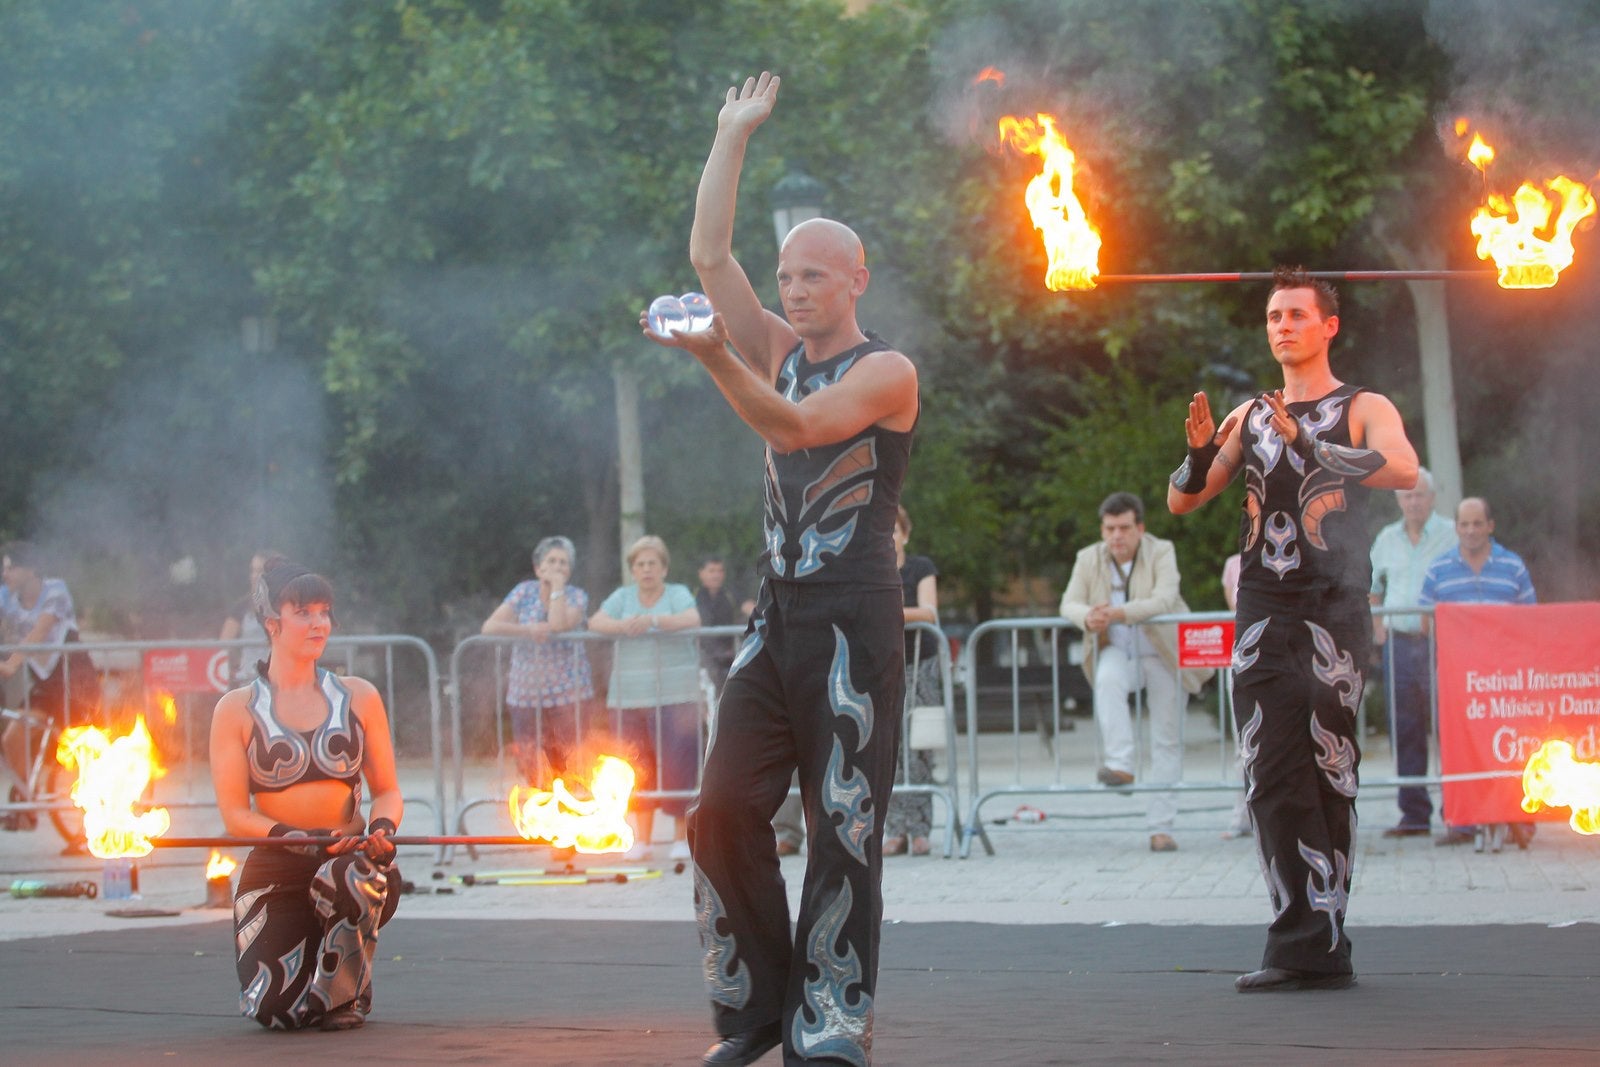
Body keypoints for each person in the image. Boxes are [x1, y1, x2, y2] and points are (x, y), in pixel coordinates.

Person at [642, 70, 918, 1067]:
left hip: (854, 624)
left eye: (811, 276)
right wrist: (730, 136)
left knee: (843, 823)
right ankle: (762, 1007)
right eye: (786, 277)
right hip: (777, 618)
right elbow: (708, 254)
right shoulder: (773, 343)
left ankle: (831, 1019)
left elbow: (796, 428)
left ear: (855, 280)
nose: (793, 290)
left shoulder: (886, 371)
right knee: (720, 808)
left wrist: (715, 355)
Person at [1168, 266, 1419, 993]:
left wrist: (1311, 445)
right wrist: (1196, 454)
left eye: (1297, 315)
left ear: (1328, 326)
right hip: (1262, 607)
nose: (1283, 326)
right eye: (1275, 316)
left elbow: (1404, 469)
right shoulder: (1249, 414)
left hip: (1333, 604)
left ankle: (1327, 941)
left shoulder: (1363, 405)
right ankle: (1296, 941)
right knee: (1267, 769)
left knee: (1329, 769)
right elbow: (1184, 500)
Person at [208, 557, 403, 1030]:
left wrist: (382, 829)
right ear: (272, 622)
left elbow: (388, 791)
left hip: (350, 865)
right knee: (277, 1014)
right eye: (304, 613)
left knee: (349, 878)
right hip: (277, 868)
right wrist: (303, 839)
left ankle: (345, 993)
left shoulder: (359, 696)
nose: (319, 624)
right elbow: (235, 815)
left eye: (324, 612)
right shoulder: (236, 709)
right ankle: (318, 971)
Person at [1059, 492, 1205, 853]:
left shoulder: (1162, 551)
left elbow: (1165, 599)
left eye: (1124, 528)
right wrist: (1087, 617)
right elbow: (1068, 603)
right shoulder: (1087, 557)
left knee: (1166, 739)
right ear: (1102, 529)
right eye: (1110, 528)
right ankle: (1120, 764)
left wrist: (1118, 613)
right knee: (1106, 680)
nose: (1116, 536)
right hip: (1117, 649)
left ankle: (1161, 827)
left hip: (1163, 653)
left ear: (1140, 528)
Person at [1418, 496, 1537, 850]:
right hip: (1457, 680)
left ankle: (1519, 817)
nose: (1470, 530)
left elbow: (1530, 619)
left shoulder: (1513, 566)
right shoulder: (1438, 569)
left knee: (1512, 747)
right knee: (1459, 749)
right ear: (1456, 528)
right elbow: (1424, 622)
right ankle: (1463, 822)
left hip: (1505, 679)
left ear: (1490, 526)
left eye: (1477, 524)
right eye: (1464, 524)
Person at [587, 535, 702, 862]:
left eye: (653, 563)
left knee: (680, 765)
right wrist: (623, 625)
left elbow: (692, 619)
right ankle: (642, 839)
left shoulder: (677, 593)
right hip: (629, 698)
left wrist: (653, 621)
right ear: (632, 570)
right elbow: (595, 622)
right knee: (635, 767)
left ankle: (680, 838)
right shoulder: (622, 597)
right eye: (640, 564)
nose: (647, 569)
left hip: (676, 696)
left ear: (664, 568)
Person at [1368, 468, 1457, 838]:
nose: (1414, 501)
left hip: (1443, 645)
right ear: (1398, 500)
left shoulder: (1452, 534)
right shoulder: (1387, 539)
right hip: (1400, 644)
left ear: (1432, 498)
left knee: (1449, 727)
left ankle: (1457, 812)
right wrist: (1378, 629)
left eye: (1420, 494)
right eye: (1407, 495)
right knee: (1405, 729)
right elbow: (1372, 586)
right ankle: (1414, 814)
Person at [0, 541, 102, 832]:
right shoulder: (6, 596)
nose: (5, 573)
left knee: (84, 748)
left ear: (31, 570)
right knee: (12, 736)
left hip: (73, 679)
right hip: (45, 682)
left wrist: (11, 664)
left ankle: (97, 818)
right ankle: (25, 801)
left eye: (11, 567)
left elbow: (38, 632)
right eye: (4, 568)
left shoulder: (56, 591)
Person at [480, 536, 594, 785]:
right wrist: (527, 630)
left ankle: (569, 806)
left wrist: (557, 589)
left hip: (568, 695)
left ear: (570, 570)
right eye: (551, 561)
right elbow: (490, 627)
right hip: (526, 695)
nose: (557, 567)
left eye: (563, 562)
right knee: (531, 763)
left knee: (569, 764)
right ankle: (540, 806)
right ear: (538, 567)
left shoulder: (577, 597)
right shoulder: (524, 591)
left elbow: (558, 624)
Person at [884, 505, 939, 858]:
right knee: (887, 749)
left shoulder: (921, 568)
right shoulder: (868, 570)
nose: (889, 536)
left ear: (905, 533)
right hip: (882, 667)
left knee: (919, 746)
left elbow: (929, 612)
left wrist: (887, 612)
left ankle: (920, 829)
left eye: (894, 529)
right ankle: (895, 829)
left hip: (920, 664)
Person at [219, 551, 278, 686]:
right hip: (249, 682)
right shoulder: (241, 607)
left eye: (260, 571)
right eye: (253, 570)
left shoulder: (286, 606)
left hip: (278, 682)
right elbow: (224, 643)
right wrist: (234, 667)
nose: (255, 575)